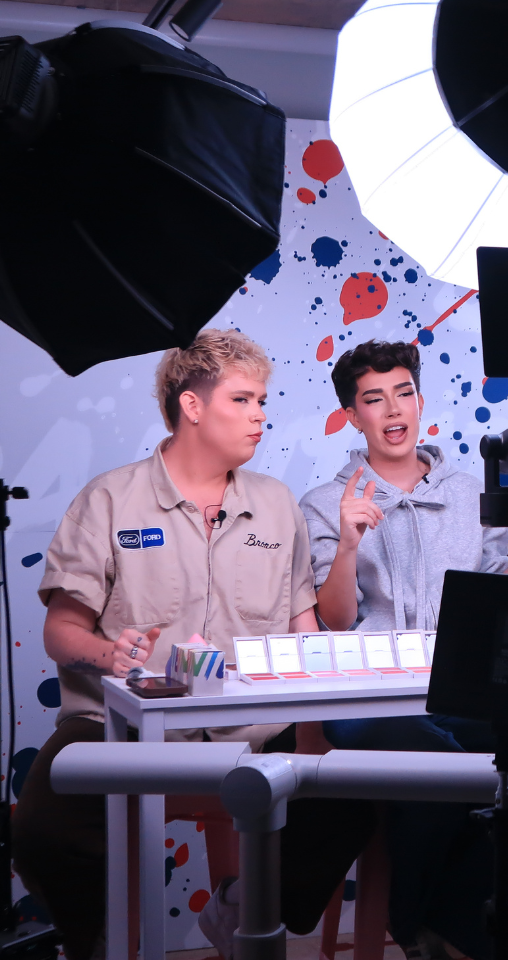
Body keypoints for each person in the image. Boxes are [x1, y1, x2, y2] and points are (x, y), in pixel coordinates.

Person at [11, 329, 374, 960]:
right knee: (45, 825)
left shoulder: (276, 502)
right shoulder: (108, 499)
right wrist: (111, 655)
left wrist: (317, 725)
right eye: (243, 399)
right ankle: (96, 942)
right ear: (192, 405)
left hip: (253, 731)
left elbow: (303, 628)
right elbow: (60, 632)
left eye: (262, 400)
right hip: (120, 730)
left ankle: (244, 905)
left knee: (357, 788)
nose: (260, 415)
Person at [298, 340, 508, 960]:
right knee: (442, 765)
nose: (393, 409)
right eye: (374, 399)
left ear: (420, 401)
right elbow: (335, 620)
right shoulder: (324, 503)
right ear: (352, 415)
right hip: (365, 695)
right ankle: (413, 921)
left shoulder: (471, 491)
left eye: (404, 393)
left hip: (456, 686)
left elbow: (490, 600)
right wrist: (348, 543)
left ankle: (451, 927)